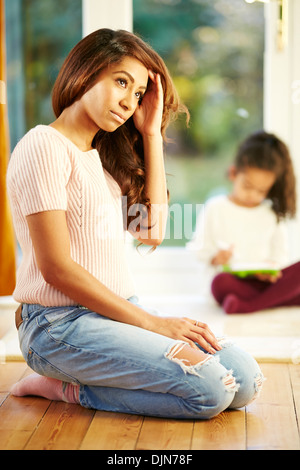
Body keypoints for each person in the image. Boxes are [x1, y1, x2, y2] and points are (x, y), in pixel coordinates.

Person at [6, 29, 263, 419]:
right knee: (212, 390)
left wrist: (149, 134)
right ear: (85, 71)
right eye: (121, 82)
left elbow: (153, 230)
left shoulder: (100, 159)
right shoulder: (44, 146)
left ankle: (90, 377)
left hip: (115, 312)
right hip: (58, 326)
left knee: (245, 380)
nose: (129, 102)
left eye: (139, 93)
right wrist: (156, 325)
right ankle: (64, 388)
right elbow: (56, 268)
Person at [188, 130, 299, 314]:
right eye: (248, 186)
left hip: (262, 284)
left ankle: (247, 305)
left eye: (261, 191)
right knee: (220, 282)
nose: (253, 195)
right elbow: (200, 250)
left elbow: (280, 257)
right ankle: (265, 302)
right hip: (231, 283)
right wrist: (216, 258)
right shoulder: (216, 207)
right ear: (233, 173)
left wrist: (270, 271)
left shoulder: (271, 213)